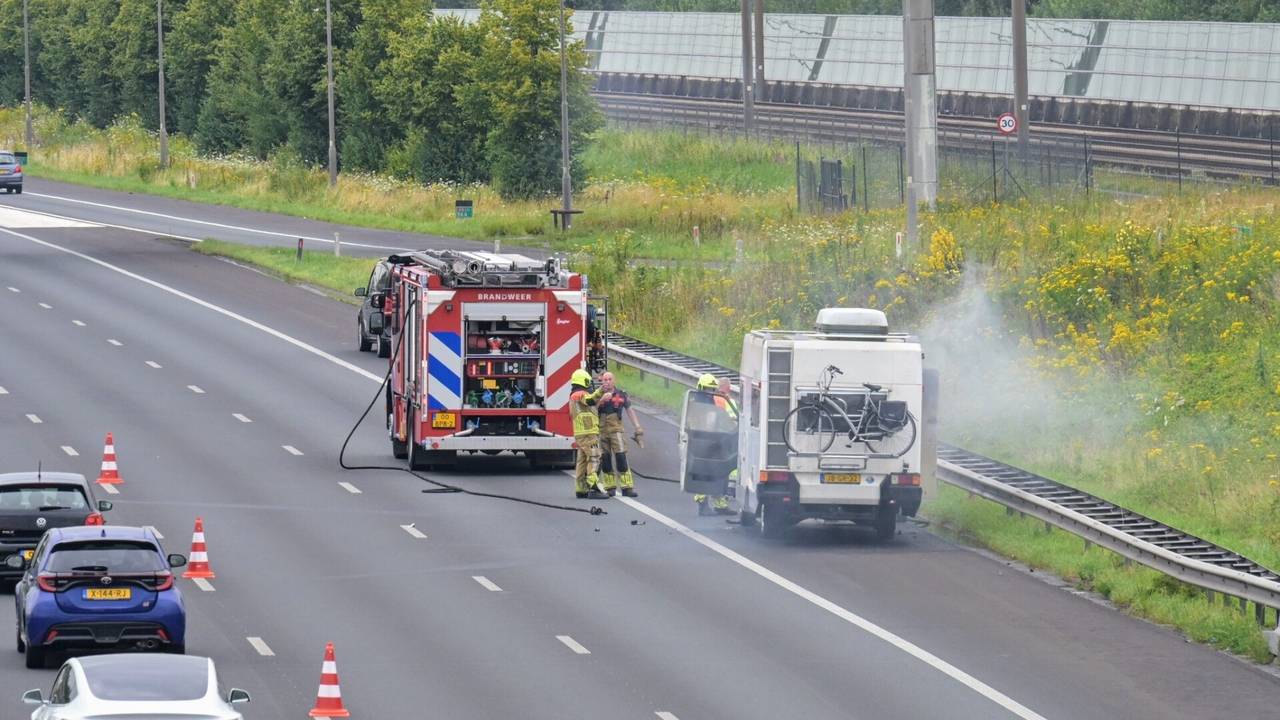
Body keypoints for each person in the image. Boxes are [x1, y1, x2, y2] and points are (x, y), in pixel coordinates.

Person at [693, 374, 739, 516]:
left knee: (719, 472)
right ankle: (702, 503)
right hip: (703, 442)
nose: (710, 391)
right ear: (701, 387)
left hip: (716, 440)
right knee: (705, 473)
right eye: (707, 388)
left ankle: (720, 505)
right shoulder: (698, 402)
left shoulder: (711, 400)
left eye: (712, 389)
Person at [597, 371, 643, 498]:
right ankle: (610, 488)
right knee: (605, 459)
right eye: (604, 380)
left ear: (614, 381)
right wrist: (601, 400)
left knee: (621, 457)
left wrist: (637, 427)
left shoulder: (621, 394)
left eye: (609, 379)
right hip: (602, 431)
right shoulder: (597, 394)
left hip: (616, 430)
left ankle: (627, 488)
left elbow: (629, 410)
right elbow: (591, 409)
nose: (606, 382)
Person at [569, 368, 608, 499]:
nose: (590, 384)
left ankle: (581, 489)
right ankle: (594, 487)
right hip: (588, 433)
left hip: (582, 433)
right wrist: (602, 389)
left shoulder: (574, 395)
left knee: (582, 461)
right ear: (583, 381)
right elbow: (590, 400)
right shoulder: (580, 394)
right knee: (594, 458)